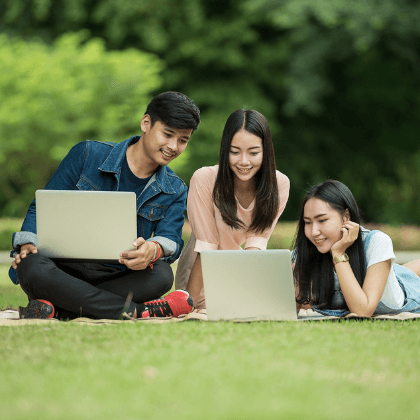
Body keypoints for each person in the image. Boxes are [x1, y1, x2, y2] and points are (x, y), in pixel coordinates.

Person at [10, 91, 200, 320]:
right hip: (61, 270)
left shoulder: (175, 188)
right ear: (146, 123)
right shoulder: (87, 154)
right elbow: (40, 207)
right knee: (30, 265)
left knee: (161, 274)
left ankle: (59, 308)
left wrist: (153, 249)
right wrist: (28, 242)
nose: (173, 146)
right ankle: (137, 311)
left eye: (183, 140)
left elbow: (170, 239)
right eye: (168, 134)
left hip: (118, 275)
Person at [175, 109, 290, 309]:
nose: (244, 161)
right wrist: (188, 306)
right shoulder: (204, 179)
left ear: (266, 151)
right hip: (198, 273)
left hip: (239, 269)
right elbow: (206, 247)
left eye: (253, 152)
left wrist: (248, 294)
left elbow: (256, 246)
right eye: (235, 152)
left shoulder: (278, 184)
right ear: (225, 149)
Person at [293, 179, 420, 317]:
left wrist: (339, 254)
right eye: (307, 222)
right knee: (395, 270)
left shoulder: (376, 242)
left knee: (401, 273)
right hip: (379, 271)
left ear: (346, 216)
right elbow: (287, 309)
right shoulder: (306, 251)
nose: (314, 232)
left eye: (322, 220)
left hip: (404, 287)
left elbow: (362, 311)